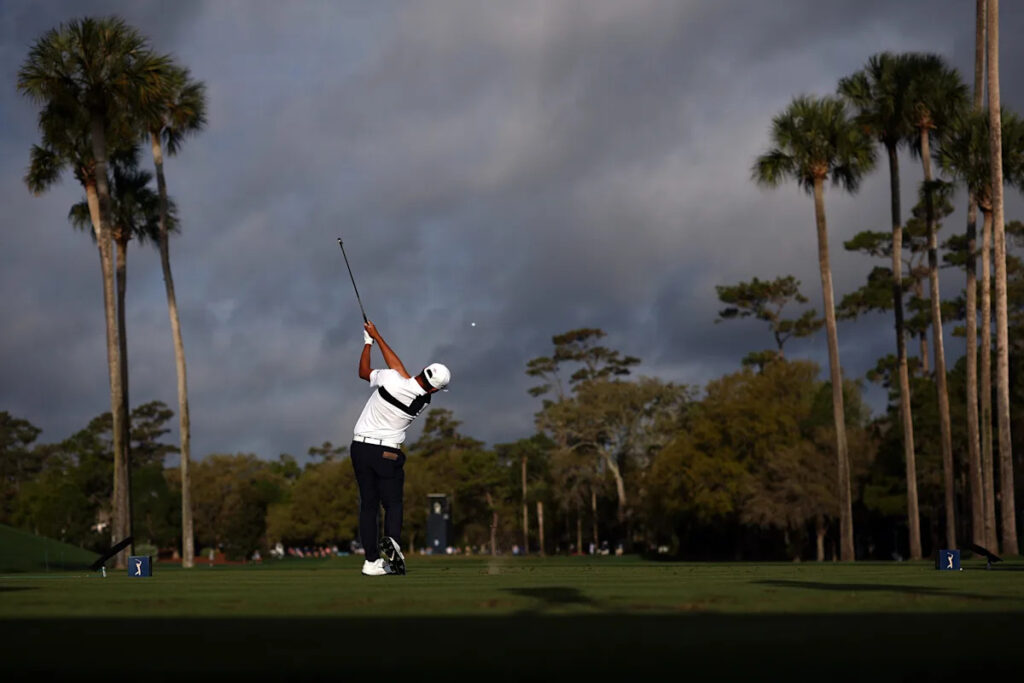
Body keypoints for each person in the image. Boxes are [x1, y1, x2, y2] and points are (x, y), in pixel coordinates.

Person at [351, 320, 450, 576]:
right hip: (387, 454)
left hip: (360, 448)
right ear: (435, 389)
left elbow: (364, 371)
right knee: (393, 504)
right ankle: (392, 542)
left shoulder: (390, 380)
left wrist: (369, 342)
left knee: (368, 506)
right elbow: (401, 371)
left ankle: (371, 562)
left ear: (424, 370)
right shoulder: (423, 399)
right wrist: (377, 336)